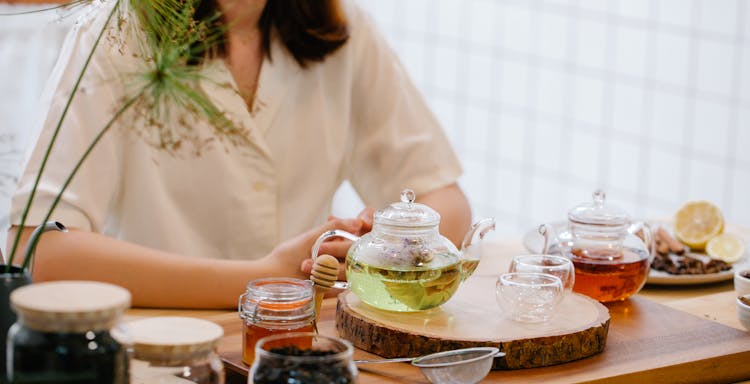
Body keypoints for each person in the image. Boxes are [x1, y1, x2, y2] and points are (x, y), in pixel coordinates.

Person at [8, 0, 471, 309]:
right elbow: (41, 249)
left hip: (302, 344)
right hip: (161, 344)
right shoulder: (117, 31)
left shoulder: (339, 25)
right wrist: (264, 276)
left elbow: (443, 199)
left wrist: (381, 249)